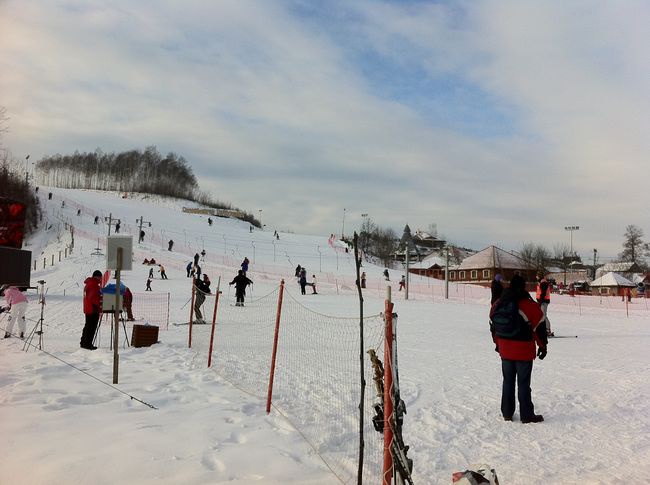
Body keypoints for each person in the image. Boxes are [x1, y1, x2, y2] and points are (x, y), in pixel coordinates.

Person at [490, 274, 547, 423]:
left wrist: (497, 343)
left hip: (505, 350)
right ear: (523, 287)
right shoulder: (529, 305)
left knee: (507, 381)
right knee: (523, 383)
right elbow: (539, 328)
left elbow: (493, 325)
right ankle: (527, 415)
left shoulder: (498, 303)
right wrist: (543, 347)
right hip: (524, 351)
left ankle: (507, 413)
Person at [80, 270, 102, 350]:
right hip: (93, 309)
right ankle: (87, 344)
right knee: (91, 327)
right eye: (100, 277)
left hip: (88, 308)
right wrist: (100, 304)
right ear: (97, 276)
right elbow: (93, 297)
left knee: (88, 326)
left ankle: (84, 343)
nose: (101, 279)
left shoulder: (89, 283)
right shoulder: (94, 284)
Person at [535, 273, 553, 337]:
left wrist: (541, 301)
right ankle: (543, 329)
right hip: (541, 301)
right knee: (541, 315)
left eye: (537, 276)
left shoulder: (543, 282)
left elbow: (543, 293)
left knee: (543, 315)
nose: (536, 277)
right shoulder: (541, 282)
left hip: (543, 301)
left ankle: (547, 329)